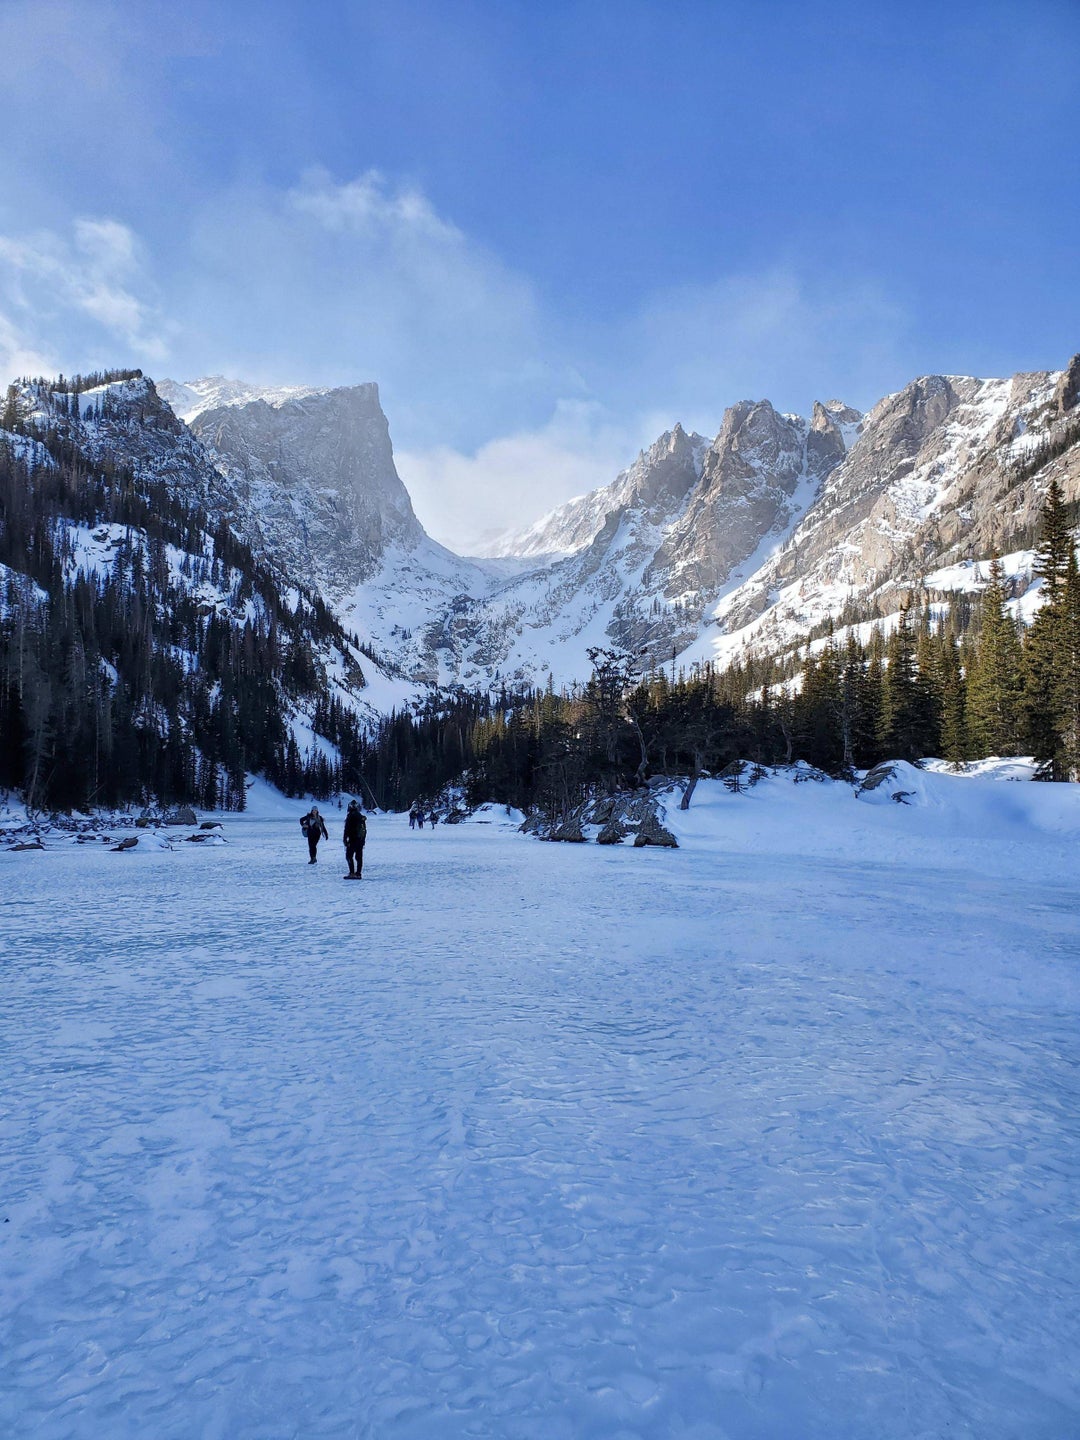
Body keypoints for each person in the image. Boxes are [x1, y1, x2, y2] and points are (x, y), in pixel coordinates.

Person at [343, 799, 367, 878]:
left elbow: (347, 829)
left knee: (349, 856)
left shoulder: (350, 816)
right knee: (359, 856)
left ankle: (352, 873)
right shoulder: (360, 816)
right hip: (360, 839)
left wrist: (345, 839)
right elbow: (364, 829)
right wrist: (363, 840)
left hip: (352, 839)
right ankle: (358, 873)